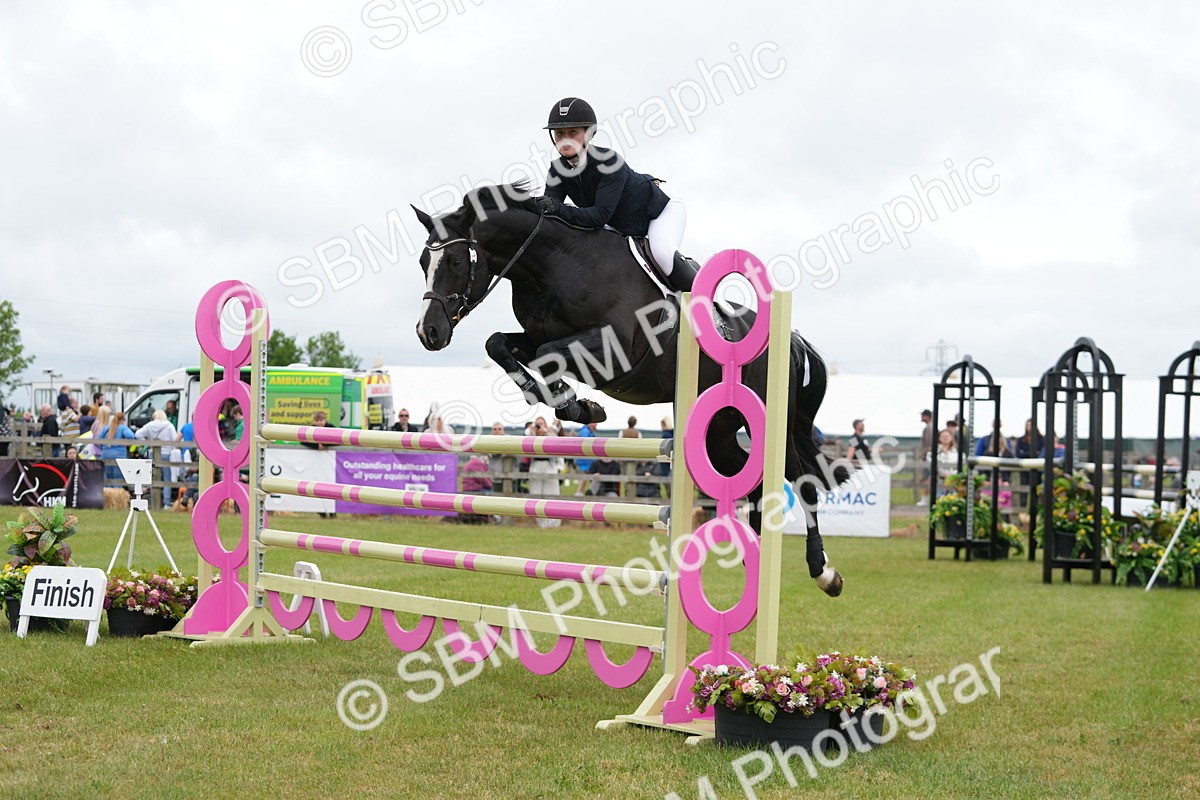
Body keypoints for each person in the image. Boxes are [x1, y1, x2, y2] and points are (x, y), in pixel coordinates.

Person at [534, 97, 696, 292]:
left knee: (661, 254)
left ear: (588, 134)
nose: (565, 139)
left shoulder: (609, 162)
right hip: (619, 221)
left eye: (572, 132)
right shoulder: (557, 169)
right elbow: (551, 214)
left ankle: (708, 307)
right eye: (559, 133)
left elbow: (598, 216)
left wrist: (558, 208)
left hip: (659, 208)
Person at [136, 409, 178, 508]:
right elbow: (175, 440)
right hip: (166, 454)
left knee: (153, 477)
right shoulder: (169, 425)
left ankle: (154, 501)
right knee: (166, 479)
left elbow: (138, 434)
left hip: (152, 453)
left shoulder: (150, 425)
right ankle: (166, 503)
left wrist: (148, 442)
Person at [99, 411, 137, 482]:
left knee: (108, 478)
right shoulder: (123, 428)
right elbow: (131, 436)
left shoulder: (106, 428)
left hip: (106, 454)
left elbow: (99, 439)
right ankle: (117, 492)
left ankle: (109, 492)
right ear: (122, 420)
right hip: (119, 454)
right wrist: (126, 443)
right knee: (118, 478)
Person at [916, 410, 933, 506]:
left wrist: (924, 456)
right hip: (927, 456)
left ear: (927, 416)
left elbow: (928, 444)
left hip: (927, 457)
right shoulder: (930, 427)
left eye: (922, 415)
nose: (921, 417)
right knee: (926, 478)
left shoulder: (929, 428)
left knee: (927, 478)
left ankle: (925, 499)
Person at [935, 430, 959, 495]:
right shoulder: (934, 453)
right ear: (939, 438)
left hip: (954, 479)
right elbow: (936, 467)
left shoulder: (957, 453)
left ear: (951, 437)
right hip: (940, 479)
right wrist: (945, 475)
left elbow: (960, 465)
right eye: (943, 436)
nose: (945, 438)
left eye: (947, 436)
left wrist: (952, 476)